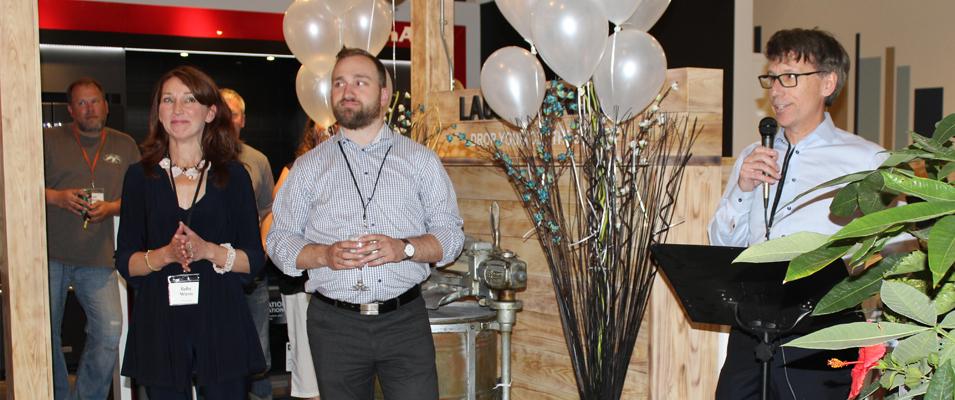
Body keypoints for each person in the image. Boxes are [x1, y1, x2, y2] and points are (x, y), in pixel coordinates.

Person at [267, 48, 465, 400]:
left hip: (404, 321)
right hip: (334, 326)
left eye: (360, 82)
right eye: (339, 83)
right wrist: (324, 255)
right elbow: (279, 241)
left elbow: (451, 236)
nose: (347, 91)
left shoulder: (420, 161)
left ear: (384, 95)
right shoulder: (308, 167)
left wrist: (404, 248)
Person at [708, 28, 886, 399]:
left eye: (789, 77)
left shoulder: (866, 160)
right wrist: (743, 189)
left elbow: (897, 246)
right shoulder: (754, 155)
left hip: (821, 329)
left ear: (828, 82)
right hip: (750, 327)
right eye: (772, 78)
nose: (775, 91)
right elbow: (722, 244)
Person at [115, 66, 266, 399]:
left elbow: (254, 260)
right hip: (160, 321)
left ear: (210, 112)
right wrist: (165, 255)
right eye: (168, 100)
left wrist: (208, 250)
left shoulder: (234, 176)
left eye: (189, 99)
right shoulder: (139, 177)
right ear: (158, 112)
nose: (178, 109)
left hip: (221, 318)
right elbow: (125, 262)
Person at [44, 77, 141, 400]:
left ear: (106, 106)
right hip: (50, 255)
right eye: (82, 103)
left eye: (95, 101)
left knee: (110, 330)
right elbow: (20, 184)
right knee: (46, 334)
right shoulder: (48, 139)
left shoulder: (125, 145)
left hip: (99, 258)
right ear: (71, 110)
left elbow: (141, 197)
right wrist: (58, 198)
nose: (90, 109)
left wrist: (111, 207)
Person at [262, 119, 328, 400]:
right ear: (311, 131)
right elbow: (274, 221)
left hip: (340, 284)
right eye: (322, 126)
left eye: (334, 125)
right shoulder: (295, 169)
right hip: (301, 281)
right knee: (307, 367)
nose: (328, 131)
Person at [221, 87, 276, 400]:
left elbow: (268, 208)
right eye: (223, 112)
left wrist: (263, 247)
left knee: (258, 351)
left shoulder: (258, 160)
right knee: (218, 348)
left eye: (234, 114)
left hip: (251, 270)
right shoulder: (198, 157)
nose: (228, 119)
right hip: (212, 270)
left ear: (243, 119)